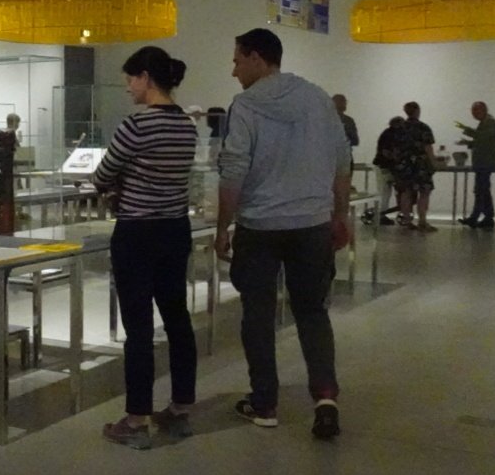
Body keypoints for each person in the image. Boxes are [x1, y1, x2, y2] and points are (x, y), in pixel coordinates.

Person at [215, 28, 348, 440]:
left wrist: (223, 226)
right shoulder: (318, 98)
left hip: (259, 227)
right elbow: (342, 160)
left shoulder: (245, 106)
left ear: (257, 58)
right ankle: (325, 398)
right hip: (311, 224)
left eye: (237, 60)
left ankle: (265, 403)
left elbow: (234, 170)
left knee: (258, 314)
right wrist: (340, 215)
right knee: (312, 312)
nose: (234, 70)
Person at [93, 47, 198, 450]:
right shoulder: (186, 125)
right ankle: (181, 408)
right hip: (175, 229)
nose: (128, 88)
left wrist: (117, 183)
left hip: (137, 233)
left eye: (130, 79)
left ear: (146, 78)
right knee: (177, 317)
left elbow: (103, 174)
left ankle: (137, 418)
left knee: (138, 327)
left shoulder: (136, 125)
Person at [393, 101, 437, 232]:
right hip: (421, 164)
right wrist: (433, 163)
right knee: (424, 192)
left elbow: (395, 148)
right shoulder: (423, 128)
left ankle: (407, 221)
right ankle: (422, 221)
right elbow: (428, 147)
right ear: (417, 111)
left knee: (406, 192)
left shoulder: (400, 129)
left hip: (405, 165)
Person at [456, 102, 495, 230]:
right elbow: (482, 141)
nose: (474, 114)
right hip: (483, 162)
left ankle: (475, 217)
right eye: (473, 111)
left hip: (486, 162)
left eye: (476, 111)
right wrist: (469, 143)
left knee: (481, 190)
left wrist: (467, 130)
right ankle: (487, 217)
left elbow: (483, 137)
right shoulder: (485, 123)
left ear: (484, 110)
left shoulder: (490, 123)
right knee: (483, 190)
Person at [370, 116, 406, 225]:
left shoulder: (389, 133)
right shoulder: (389, 135)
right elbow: (385, 152)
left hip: (386, 165)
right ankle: (381, 214)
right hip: (384, 166)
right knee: (385, 191)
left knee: (386, 191)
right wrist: (396, 159)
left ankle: (383, 213)